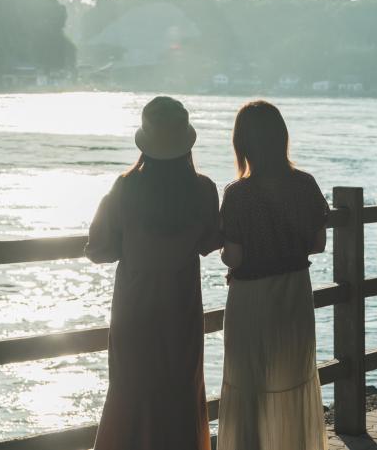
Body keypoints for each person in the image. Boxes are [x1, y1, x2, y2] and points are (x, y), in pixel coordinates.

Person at [86, 96, 222, 450]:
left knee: (130, 392)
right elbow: (212, 241)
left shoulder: (126, 188)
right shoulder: (203, 189)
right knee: (180, 392)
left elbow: (98, 249)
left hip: (134, 307)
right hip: (181, 310)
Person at [217, 100, 328, 450]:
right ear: (281, 138)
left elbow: (233, 255)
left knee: (247, 384)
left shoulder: (237, 194)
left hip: (251, 296)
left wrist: (224, 253)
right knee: (293, 375)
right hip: (294, 290)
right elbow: (317, 243)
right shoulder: (305, 184)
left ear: (243, 143)